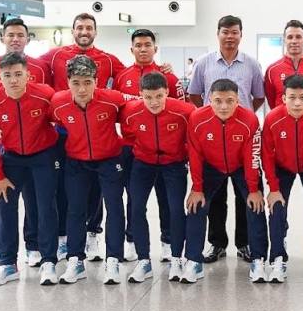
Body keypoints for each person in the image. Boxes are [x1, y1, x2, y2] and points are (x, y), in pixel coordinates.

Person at [39, 13, 128, 263]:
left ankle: (92, 234)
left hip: (98, 132)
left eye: (89, 27)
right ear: (73, 31)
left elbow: (131, 80)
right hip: (66, 132)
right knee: (66, 189)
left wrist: (161, 71)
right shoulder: (55, 55)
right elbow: (26, 66)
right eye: (80, 27)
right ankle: (65, 239)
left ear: (95, 32)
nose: (84, 31)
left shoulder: (108, 59)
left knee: (97, 188)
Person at [0, 17, 53, 271]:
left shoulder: (41, 67)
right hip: (2, 147)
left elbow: (49, 103)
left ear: (27, 39)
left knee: (34, 199)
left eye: (20, 35)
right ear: (3, 38)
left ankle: (33, 246)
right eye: (11, 35)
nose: (16, 39)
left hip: (34, 148)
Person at [188, 15, 264, 264]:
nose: (230, 36)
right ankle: (217, 244)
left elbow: (258, 97)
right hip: (213, 140)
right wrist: (212, 115)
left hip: (243, 137)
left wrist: (241, 115)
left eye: (234, 32)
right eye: (225, 32)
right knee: (216, 200)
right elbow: (195, 94)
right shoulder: (203, 63)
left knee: (246, 198)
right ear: (218, 33)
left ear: (241, 34)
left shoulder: (252, 64)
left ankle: (244, 243)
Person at [50, 56, 130, 285]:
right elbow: (48, 121)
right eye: (76, 83)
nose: (82, 89)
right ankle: (76, 260)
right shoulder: (59, 102)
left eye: (87, 82)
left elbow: (136, 109)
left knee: (114, 207)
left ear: (97, 81)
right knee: (75, 210)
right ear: (68, 82)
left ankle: (113, 260)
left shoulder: (113, 99)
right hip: (76, 161)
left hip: (110, 159)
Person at [183, 79, 268, 284]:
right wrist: (197, 188)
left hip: (242, 166)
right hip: (211, 167)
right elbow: (194, 154)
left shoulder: (249, 119)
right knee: (196, 206)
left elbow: (252, 155)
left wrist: (253, 189)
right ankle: (193, 261)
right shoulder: (197, 118)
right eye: (218, 101)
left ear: (238, 100)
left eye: (230, 101)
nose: (224, 106)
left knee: (255, 206)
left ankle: (258, 259)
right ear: (209, 100)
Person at [113, 29, 187, 262]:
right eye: (138, 45)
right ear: (132, 49)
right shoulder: (122, 77)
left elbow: (182, 112)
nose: (143, 49)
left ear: (155, 48)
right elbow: (116, 111)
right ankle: (132, 241)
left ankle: (168, 242)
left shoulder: (169, 78)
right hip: (132, 148)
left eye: (147, 45)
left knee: (167, 199)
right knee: (134, 199)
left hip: (167, 150)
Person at [121, 72, 196, 284]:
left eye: (159, 96)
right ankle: (143, 260)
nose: (154, 102)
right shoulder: (131, 111)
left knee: (175, 209)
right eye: (148, 97)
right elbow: (128, 135)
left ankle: (176, 258)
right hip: (143, 163)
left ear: (167, 92)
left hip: (173, 164)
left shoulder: (185, 111)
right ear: (140, 95)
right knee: (136, 208)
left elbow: (193, 140)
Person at [262, 74, 303, 283]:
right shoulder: (272, 118)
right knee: (276, 208)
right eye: (292, 97)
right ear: (284, 98)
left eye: (302, 97)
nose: (297, 103)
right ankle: (277, 258)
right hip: (283, 167)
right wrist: (273, 188)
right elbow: (267, 155)